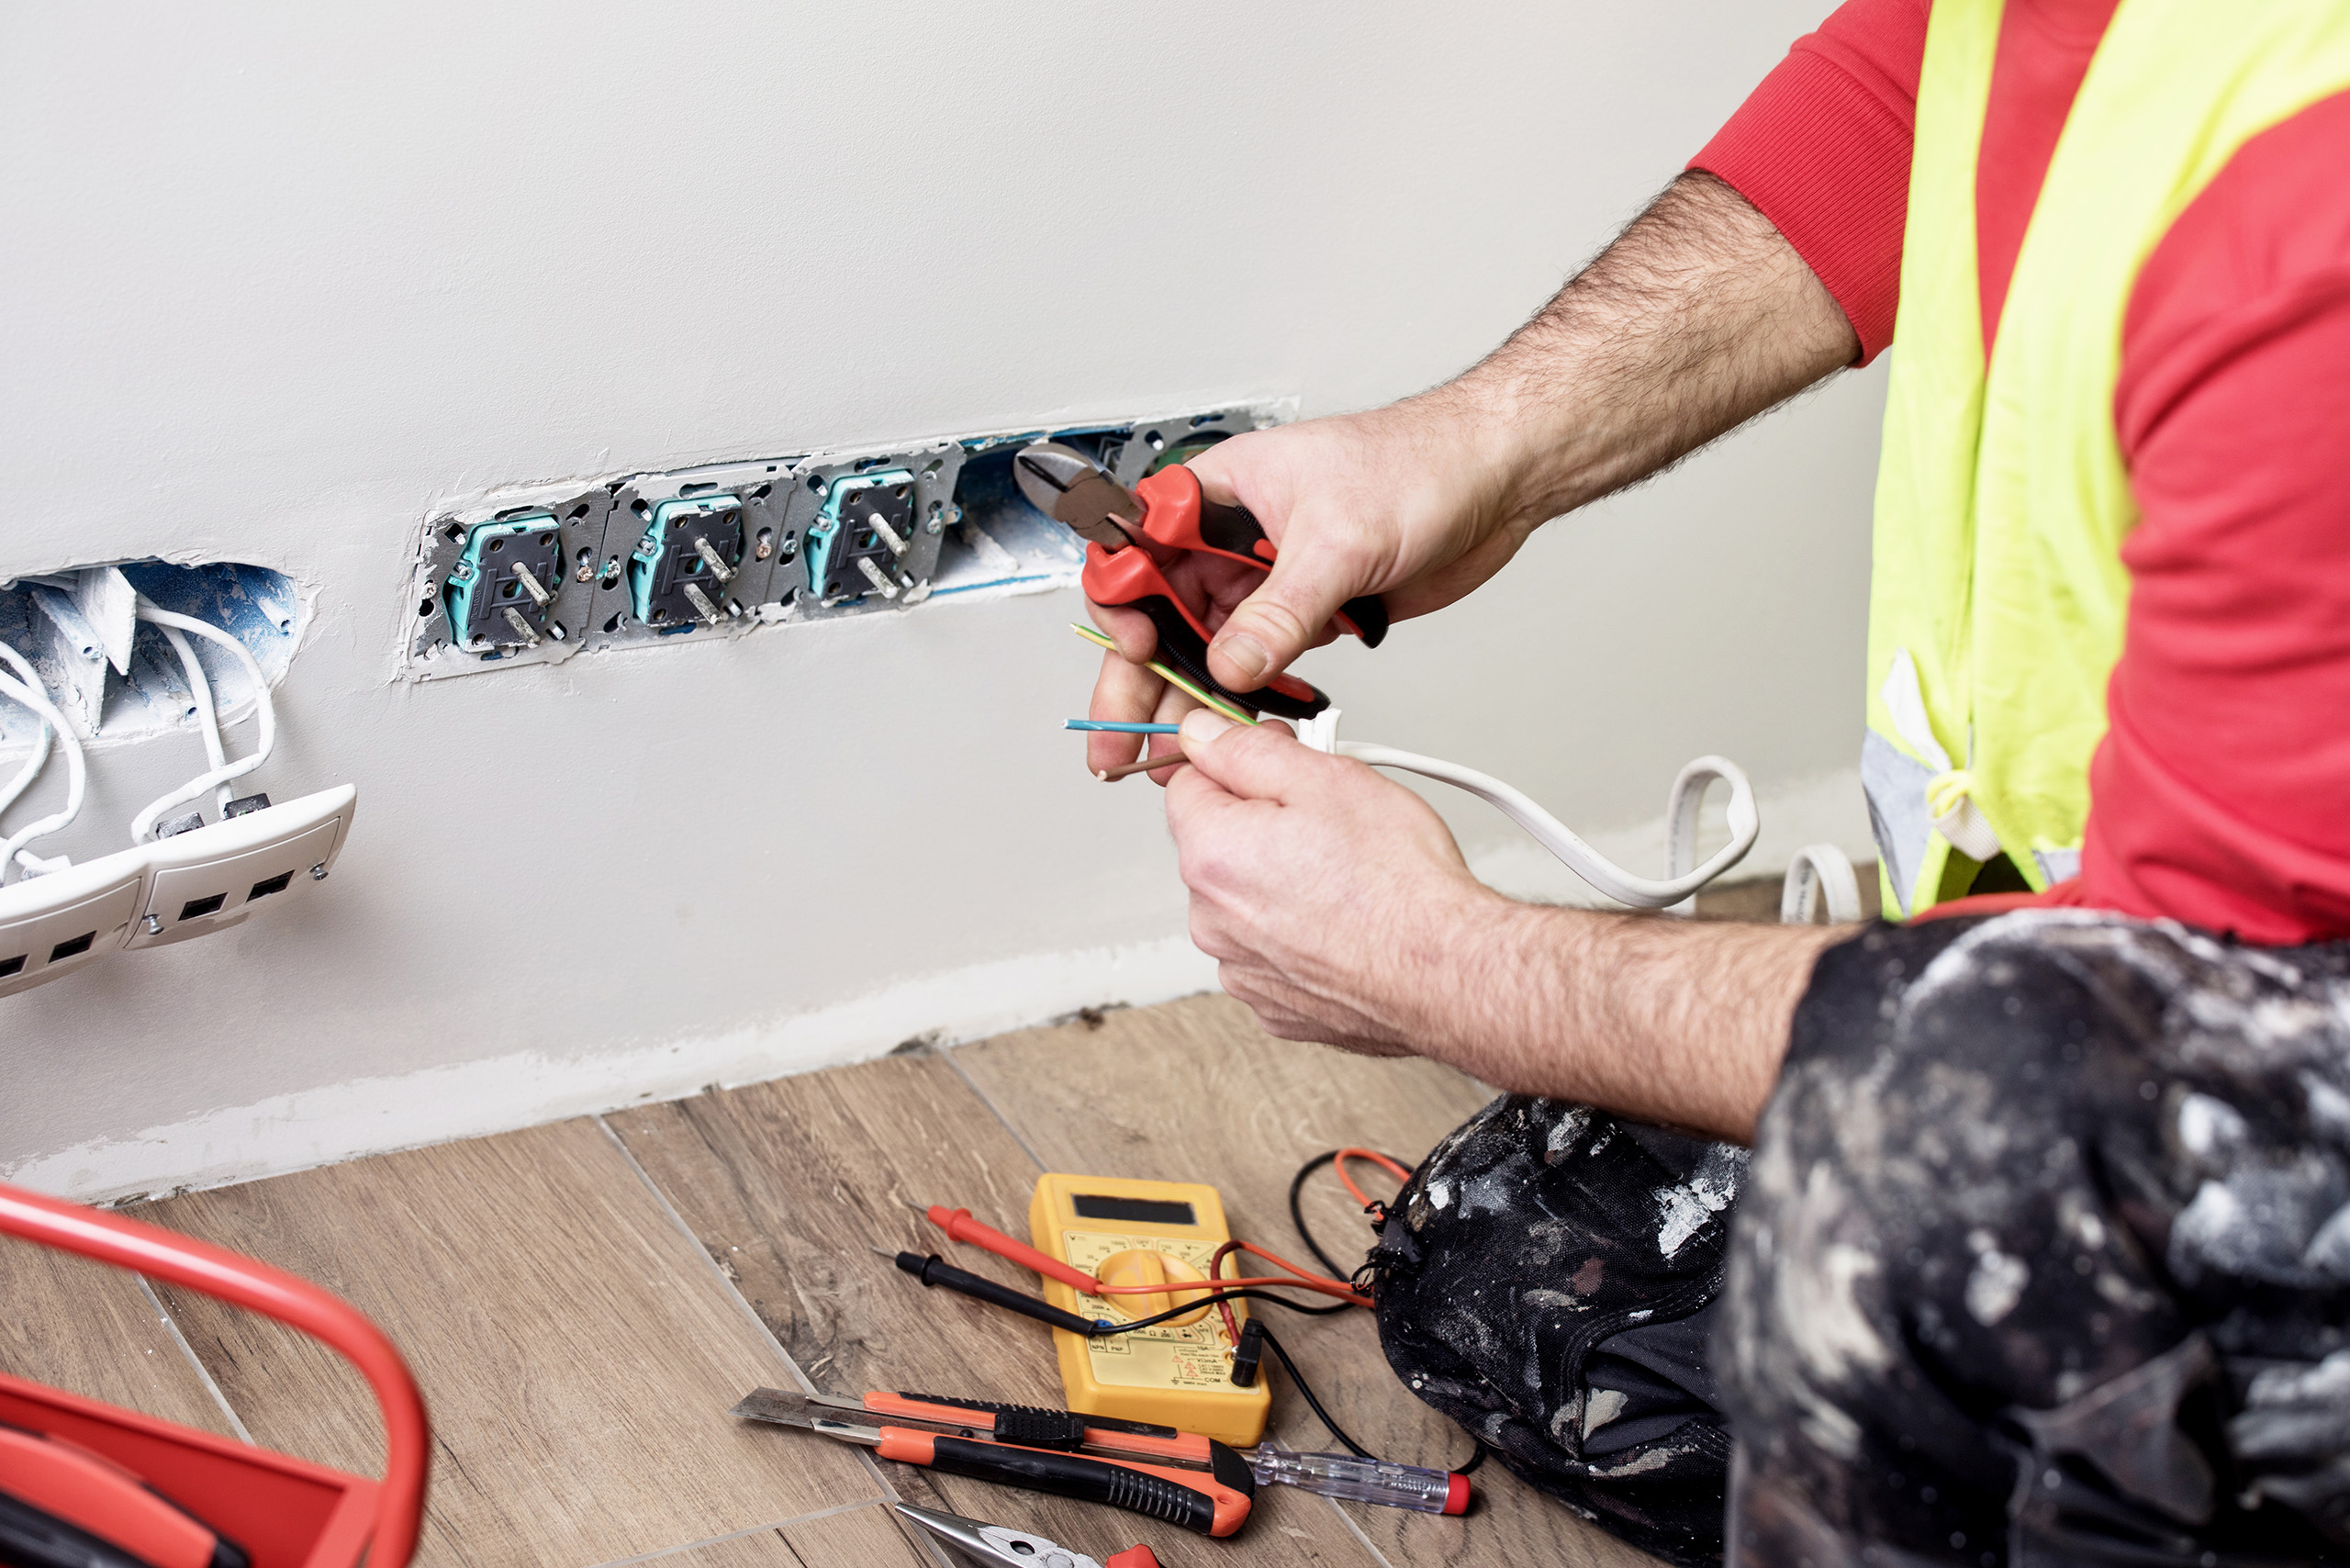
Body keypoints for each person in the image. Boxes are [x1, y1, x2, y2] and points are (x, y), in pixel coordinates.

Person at [1080, 1, 2350, 1562]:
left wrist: (1433, 960)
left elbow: (2122, 1074)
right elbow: (1923, 85)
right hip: (2098, 981)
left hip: (2198, 1091)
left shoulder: (2322, 209)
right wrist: (1472, 445)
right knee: (1538, 1274)